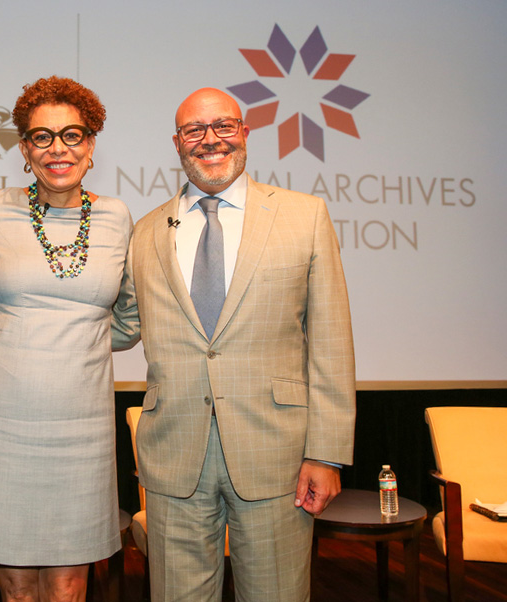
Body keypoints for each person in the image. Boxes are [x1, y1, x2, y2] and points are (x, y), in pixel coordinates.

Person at [112, 87, 356, 601]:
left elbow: (331, 342)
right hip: (174, 454)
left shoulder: (304, 216)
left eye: (223, 126)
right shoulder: (146, 231)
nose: (210, 140)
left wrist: (327, 454)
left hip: (279, 457)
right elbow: (119, 326)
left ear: (244, 133)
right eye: (194, 131)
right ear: (177, 143)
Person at [0, 76, 132, 602]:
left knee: (70, 584)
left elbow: (132, 314)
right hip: (3, 424)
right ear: (25, 149)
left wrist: (81, 343)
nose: (58, 149)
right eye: (42, 137)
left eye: (72, 135)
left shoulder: (117, 218)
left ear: (91, 144)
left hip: (82, 427)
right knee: (18, 585)